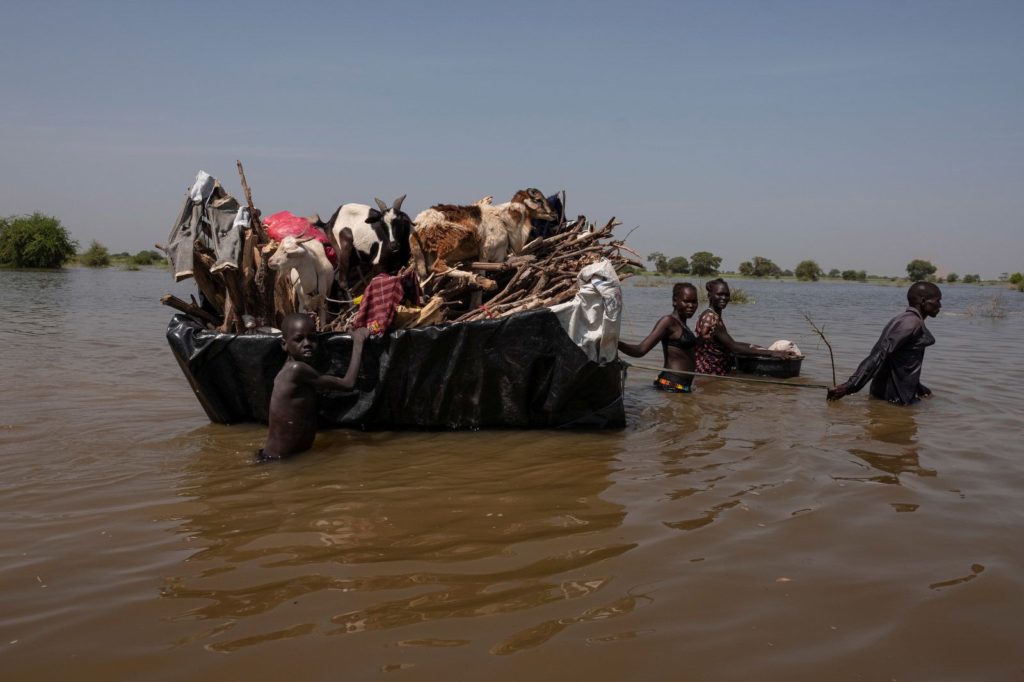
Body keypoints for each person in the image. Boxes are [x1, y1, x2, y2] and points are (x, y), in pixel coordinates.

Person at [260, 314, 370, 460]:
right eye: (299, 339)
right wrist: (358, 342)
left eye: (312, 338)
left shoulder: (292, 367)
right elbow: (348, 383)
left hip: (285, 458)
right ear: (284, 344)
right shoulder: (296, 369)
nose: (307, 343)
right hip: (279, 460)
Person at [827, 282, 941, 405]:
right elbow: (879, 354)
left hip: (888, 397)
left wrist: (918, 387)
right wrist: (849, 386)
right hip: (895, 402)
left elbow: (896, 358)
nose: (940, 305)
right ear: (923, 301)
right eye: (937, 300)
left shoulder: (905, 319)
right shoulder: (911, 323)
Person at [694, 278, 793, 375]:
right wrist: (771, 353)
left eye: (726, 295)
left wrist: (752, 346)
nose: (724, 298)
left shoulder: (708, 314)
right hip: (711, 372)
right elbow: (734, 348)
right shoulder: (712, 319)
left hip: (709, 370)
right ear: (709, 295)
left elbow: (726, 343)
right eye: (719, 294)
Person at [618, 282, 700, 392]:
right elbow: (640, 350)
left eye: (694, 302)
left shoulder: (683, 325)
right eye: (686, 301)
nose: (691, 305)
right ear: (674, 301)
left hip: (682, 388)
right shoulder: (668, 322)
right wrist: (616, 343)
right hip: (670, 386)